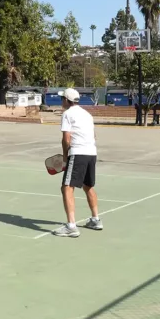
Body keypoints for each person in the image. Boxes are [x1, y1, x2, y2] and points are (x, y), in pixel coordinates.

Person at [52, 87, 101, 237]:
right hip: (91, 153)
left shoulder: (67, 114)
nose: (61, 101)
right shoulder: (87, 114)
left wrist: (65, 156)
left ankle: (71, 226)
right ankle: (95, 220)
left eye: (62, 98)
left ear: (67, 100)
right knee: (88, 186)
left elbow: (66, 139)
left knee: (66, 188)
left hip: (78, 153)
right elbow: (94, 136)